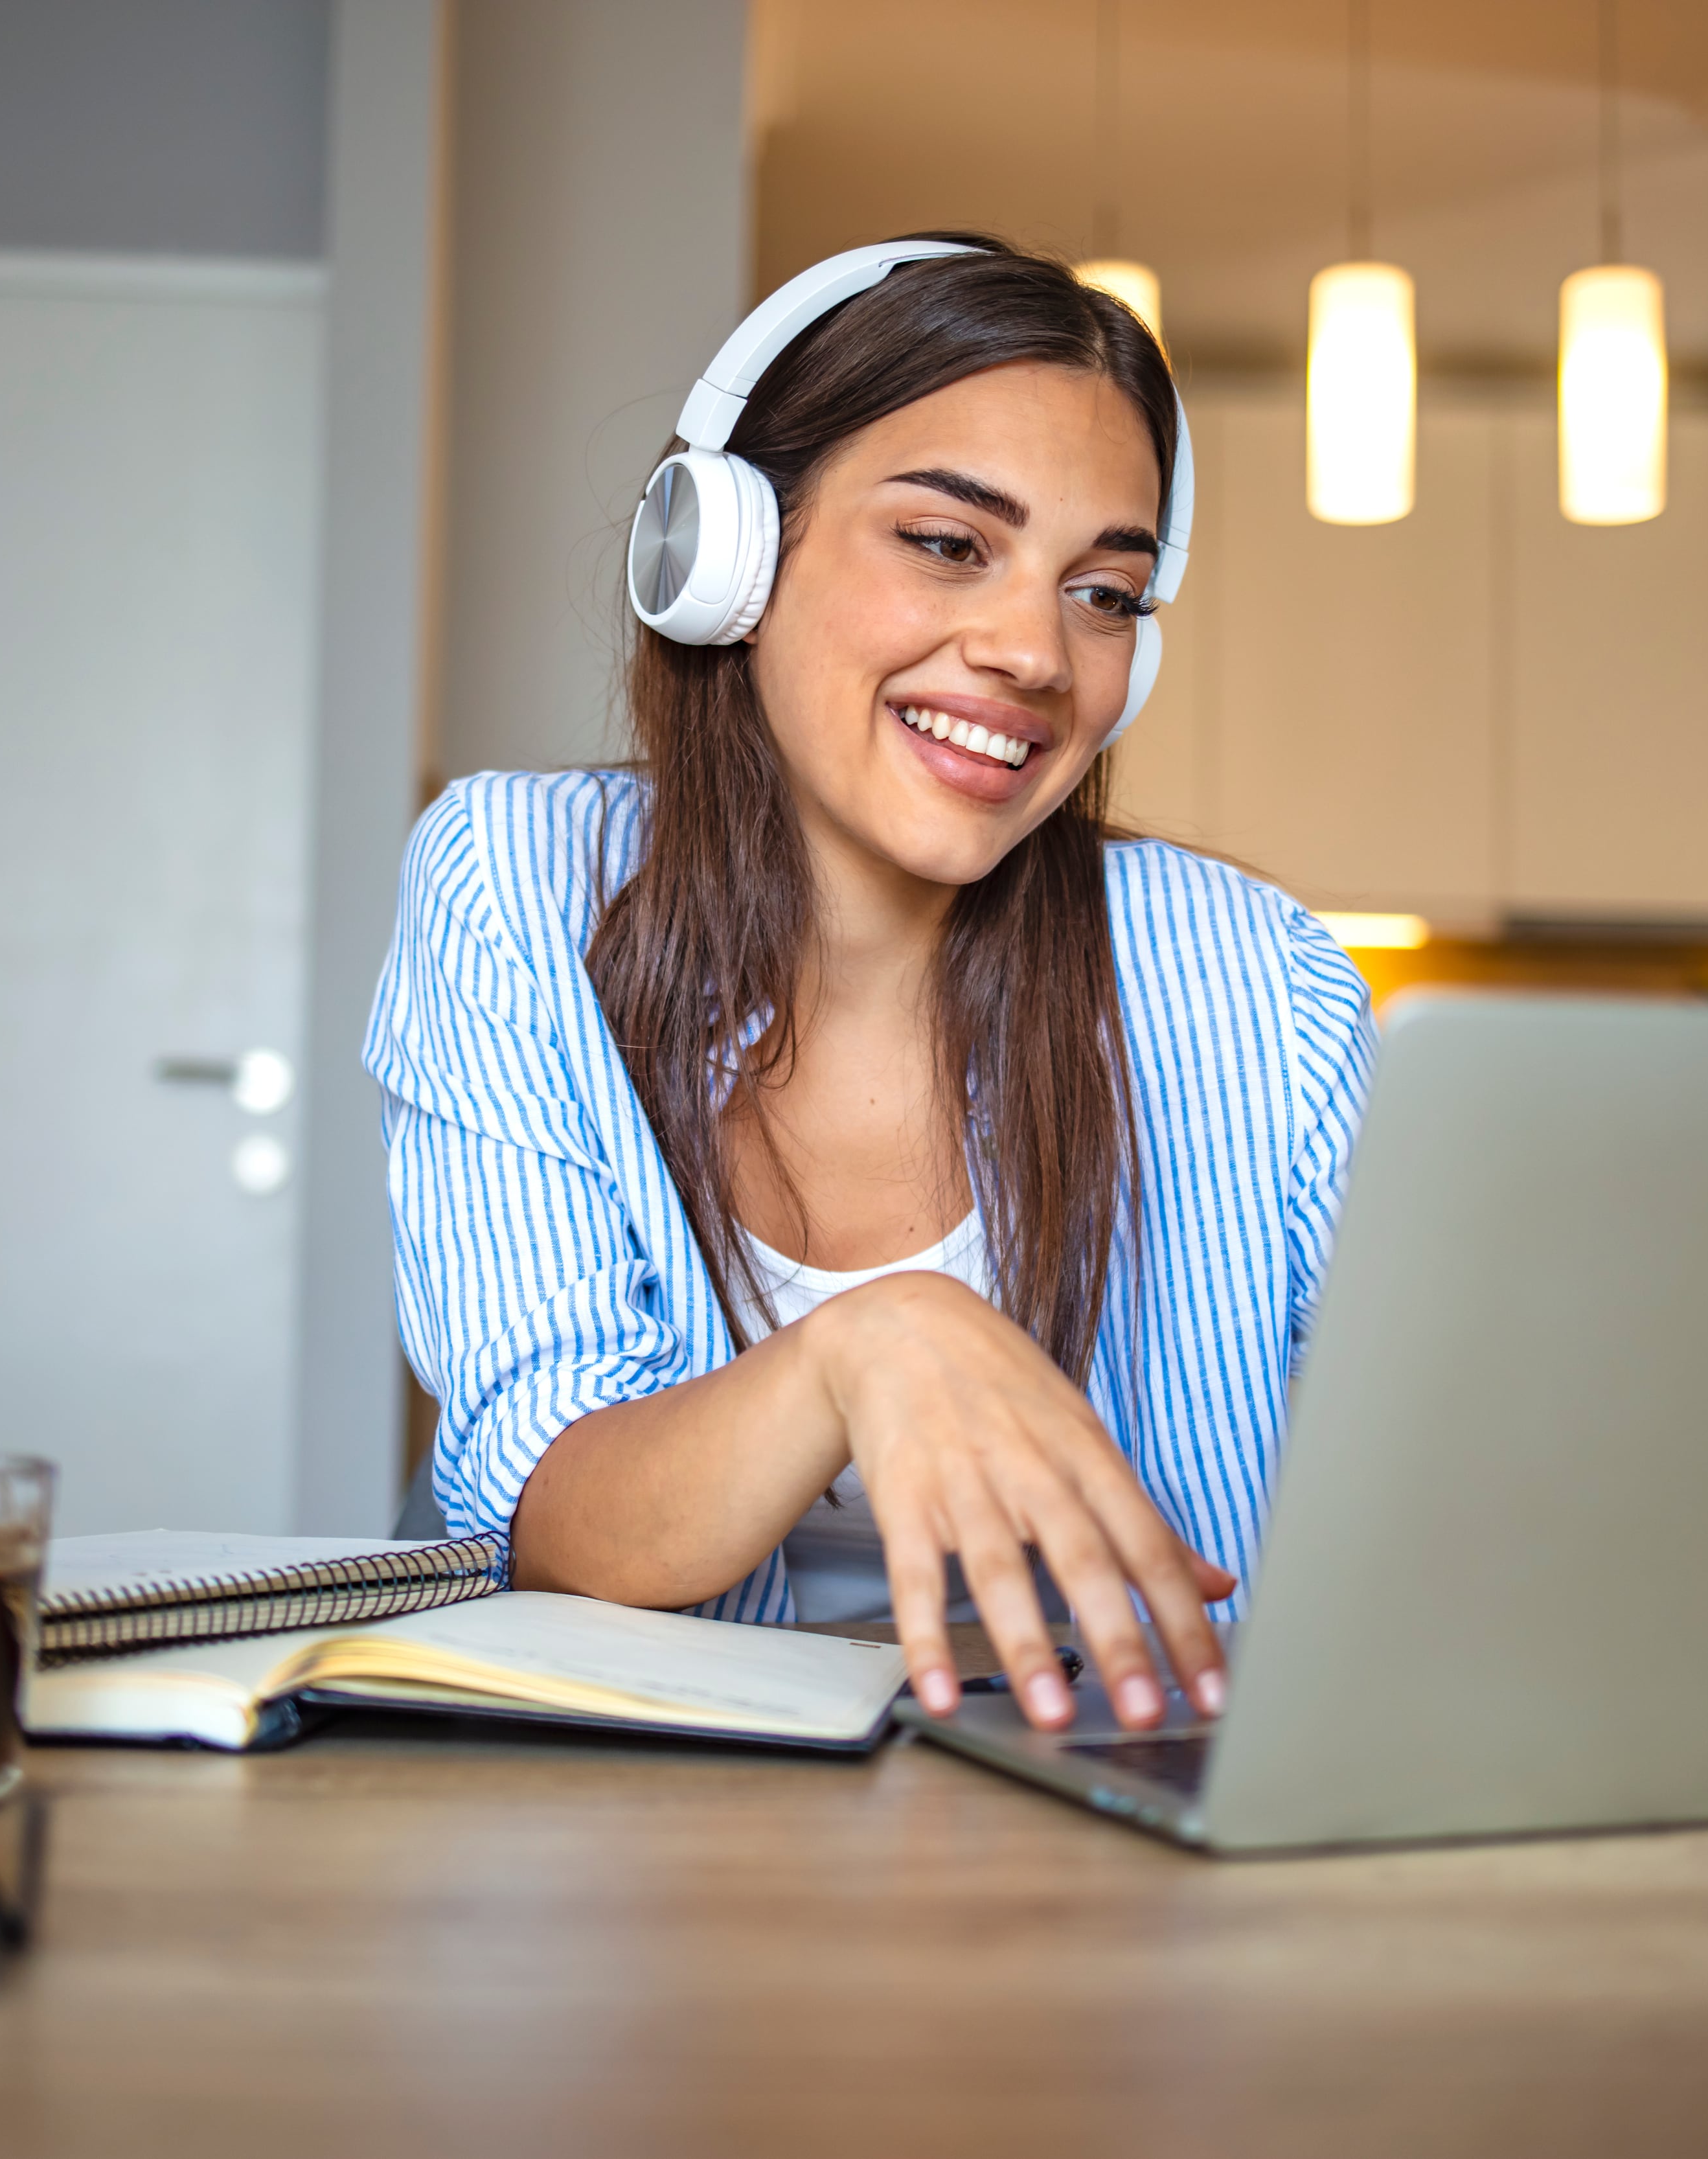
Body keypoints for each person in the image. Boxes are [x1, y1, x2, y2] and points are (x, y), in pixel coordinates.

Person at [367, 236, 1374, 1733]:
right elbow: (548, 1502)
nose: (1035, 650)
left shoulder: (1258, 979)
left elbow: (1438, 1483)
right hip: (644, 1816)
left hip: (1118, 1805)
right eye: (949, 543)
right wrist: (868, 1343)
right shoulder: (515, 884)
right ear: (727, 558)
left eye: (1104, 592)